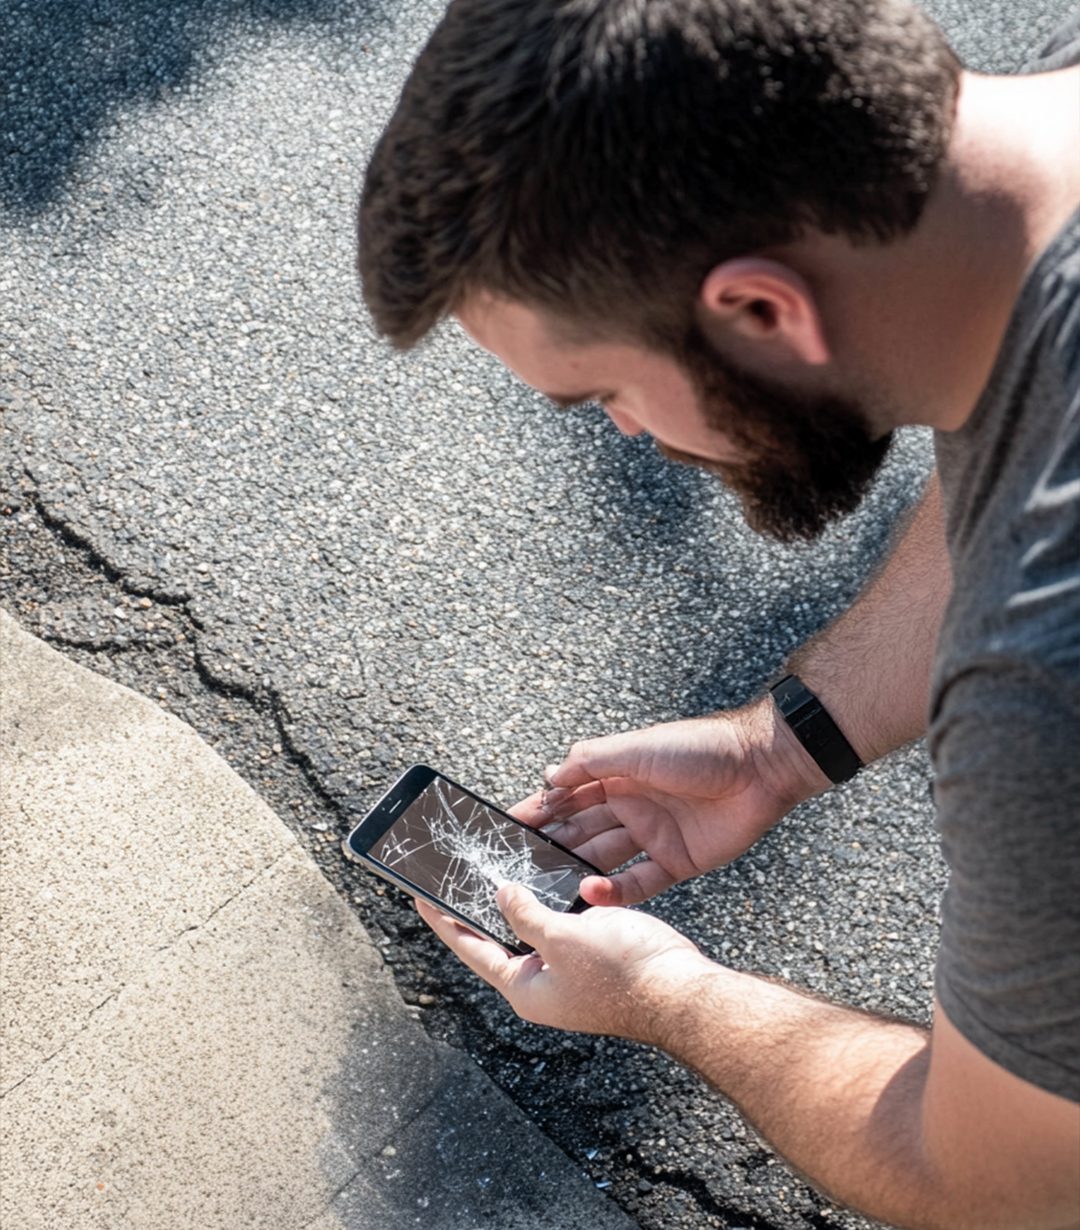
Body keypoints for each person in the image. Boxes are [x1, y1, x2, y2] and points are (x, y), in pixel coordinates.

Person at [357, 2, 1080, 1225]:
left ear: (759, 310)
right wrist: (785, 742)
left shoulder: (1043, 678)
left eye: (604, 396)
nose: (632, 436)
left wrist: (668, 999)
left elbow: (1005, 1178)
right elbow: (1005, 424)